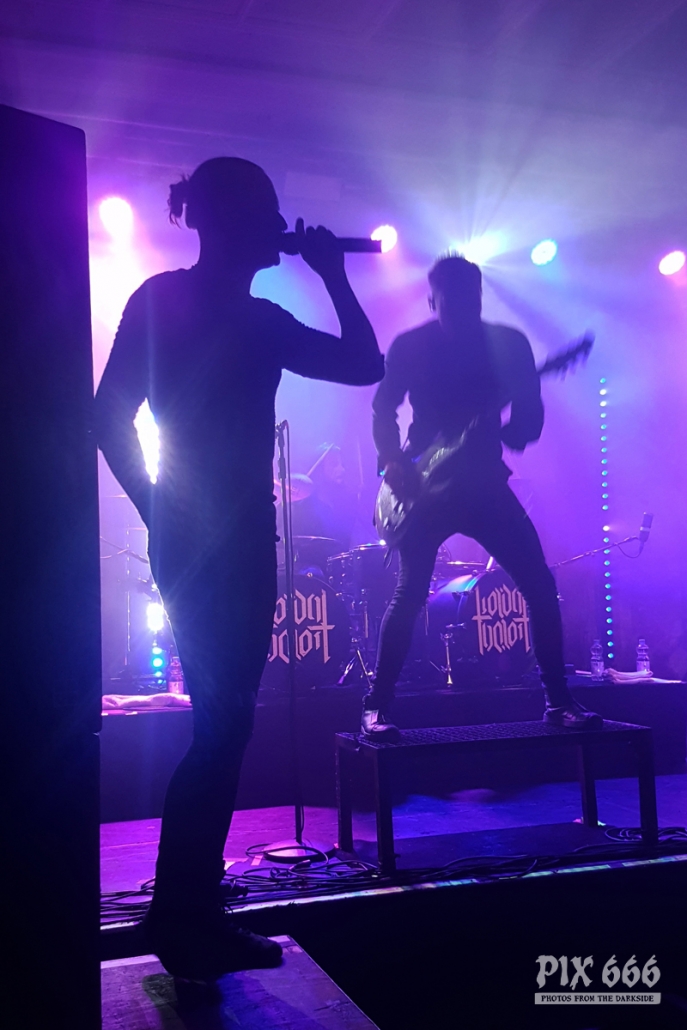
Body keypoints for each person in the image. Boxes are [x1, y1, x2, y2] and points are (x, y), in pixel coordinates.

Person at [94, 157, 383, 979]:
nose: (281, 228)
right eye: (270, 214)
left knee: (223, 728)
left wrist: (158, 511)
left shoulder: (172, 301)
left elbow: (109, 416)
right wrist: (333, 275)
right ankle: (183, 918)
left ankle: (185, 911)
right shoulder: (252, 320)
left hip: (206, 539)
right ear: (235, 223)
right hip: (226, 543)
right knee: (222, 729)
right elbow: (365, 362)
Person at [365, 254, 601, 741]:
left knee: (539, 584)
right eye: (449, 303)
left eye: (468, 302)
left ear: (479, 297)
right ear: (432, 301)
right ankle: (375, 707)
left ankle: (558, 701)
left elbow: (529, 416)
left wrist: (516, 430)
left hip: (483, 483)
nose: (460, 311)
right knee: (410, 594)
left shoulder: (509, 344)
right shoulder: (410, 345)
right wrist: (392, 462)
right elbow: (383, 407)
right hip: (423, 487)